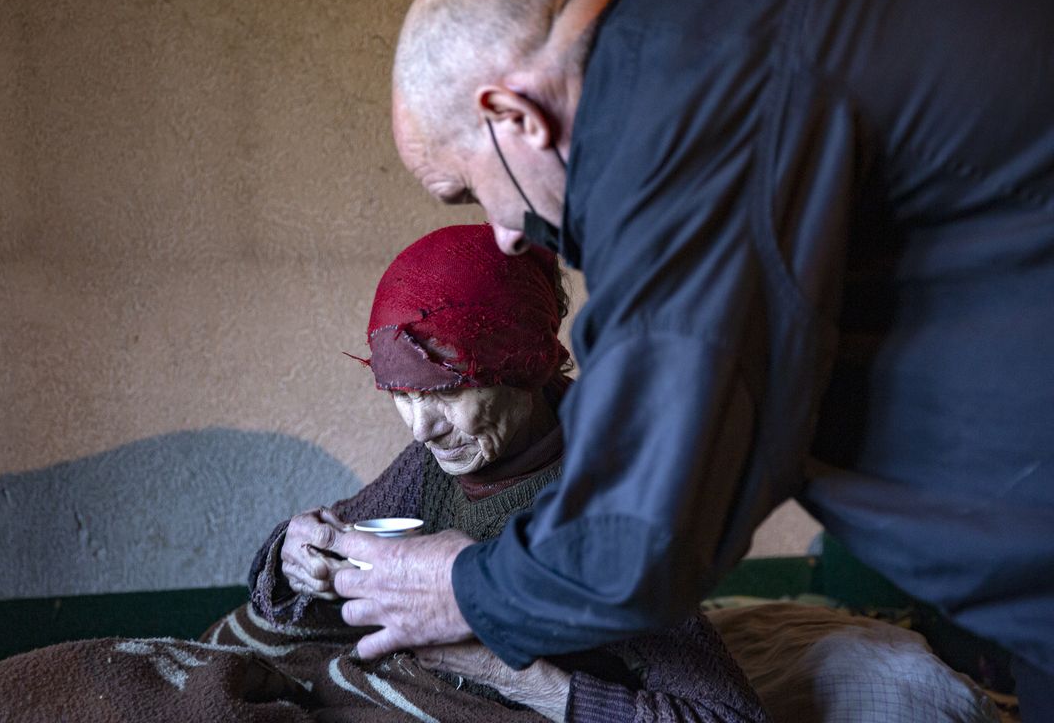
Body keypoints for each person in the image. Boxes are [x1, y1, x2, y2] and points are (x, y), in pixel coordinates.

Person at [329, 0, 1054, 717]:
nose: (504, 233)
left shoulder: (676, 115)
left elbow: (639, 532)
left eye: (471, 191)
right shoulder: (730, 10)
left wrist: (464, 592)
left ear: (514, 116)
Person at [211, 224, 768, 722]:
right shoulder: (440, 461)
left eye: (446, 391)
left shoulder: (604, 499)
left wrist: (510, 674)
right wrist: (293, 554)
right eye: (400, 396)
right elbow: (333, 552)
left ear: (525, 366)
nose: (420, 429)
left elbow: (728, 717)